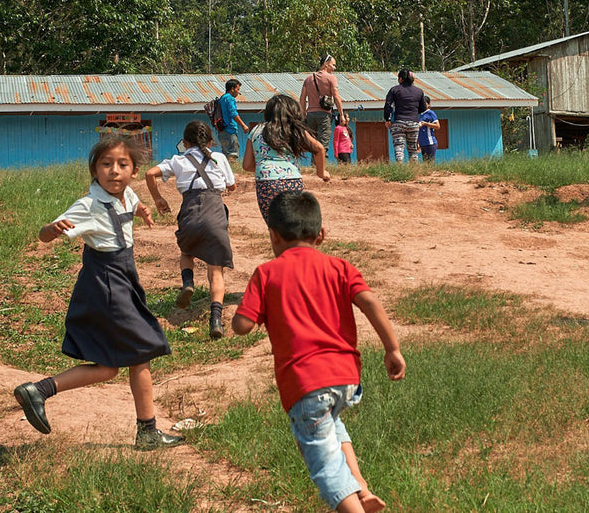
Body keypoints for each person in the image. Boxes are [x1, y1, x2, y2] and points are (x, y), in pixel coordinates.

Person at [232, 191, 406, 513]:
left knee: (324, 464)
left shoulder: (266, 273)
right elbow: (369, 302)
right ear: (321, 234)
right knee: (332, 426)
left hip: (304, 382)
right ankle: (362, 488)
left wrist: (245, 316)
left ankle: (352, 505)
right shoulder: (340, 267)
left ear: (273, 235)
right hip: (345, 380)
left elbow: (242, 325)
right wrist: (392, 349)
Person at [14, 135, 184, 450]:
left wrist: (144, 211)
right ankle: (147, 432)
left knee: (108, 368)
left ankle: (39, 391)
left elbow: (133, 204)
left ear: (134, 171)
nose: (114, 171)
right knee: (143, 350)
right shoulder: (88, 204)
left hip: (122, 279)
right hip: (106, 283)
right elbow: (44, 234)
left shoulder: (126, 194)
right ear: (95, 170)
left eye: (122, 165)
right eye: (106, 164)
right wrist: (52, 230)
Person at [146, 120, 237, 339]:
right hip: (215, 213)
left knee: (187, 251)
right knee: (216, 270)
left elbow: (150, 173)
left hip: (190, 213)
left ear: (185, 143)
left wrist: (158, 198)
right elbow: (232, 185)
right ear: (211, 141)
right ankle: (215, 319)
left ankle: (187, 283)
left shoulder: (178, 160)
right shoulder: (220, 158)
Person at [243, 94, 331, 223]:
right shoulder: (294, 128)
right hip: (293, 181)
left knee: (274, 225)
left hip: (266, 183)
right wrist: (321, 173)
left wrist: (266, 168)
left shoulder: (256, 130)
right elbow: (319, 148)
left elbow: (247, 165)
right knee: (293, 222)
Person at [300, 54, 345, 152]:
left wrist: (303, 115)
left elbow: (302, 99)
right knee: (323, 145)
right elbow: (336, 96)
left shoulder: (308, 79)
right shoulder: (331, 78)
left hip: (310, 115)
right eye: (333, 65)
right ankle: (320, 166)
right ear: (326, 64)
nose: (334, 68)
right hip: (324, 116)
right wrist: (341, 114)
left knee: (313, 144)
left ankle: (314, 166)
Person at [383, 68, 428, 162]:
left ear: (400, 79)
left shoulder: (394, 90)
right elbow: (423, 108)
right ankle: (414, 170)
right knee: (412, 149)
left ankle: (400, 169)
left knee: (399, 147)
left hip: (398, 122)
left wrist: (387, 119)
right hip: (414, 123)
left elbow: (388, 105)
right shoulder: (419, 91)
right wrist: (414, 112)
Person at [218, 78, 249, 159]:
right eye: (238, 89)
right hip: (230, 130)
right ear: (232, 89)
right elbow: (233, 113)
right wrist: (243, 125)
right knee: (232, 154)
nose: (238, 92)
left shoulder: (222, 98)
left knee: (226, 155)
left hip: (222, 130)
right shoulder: (230, 99)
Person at [417, 95, 440, 162]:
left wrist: (426, 124)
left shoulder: (430, 113)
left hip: (430, 142)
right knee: (425, 163)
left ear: (428, 104)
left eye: (424, 103)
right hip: (422, 143)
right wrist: (418, 143)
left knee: (430, 163)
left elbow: (438, 126)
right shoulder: (421, 114)